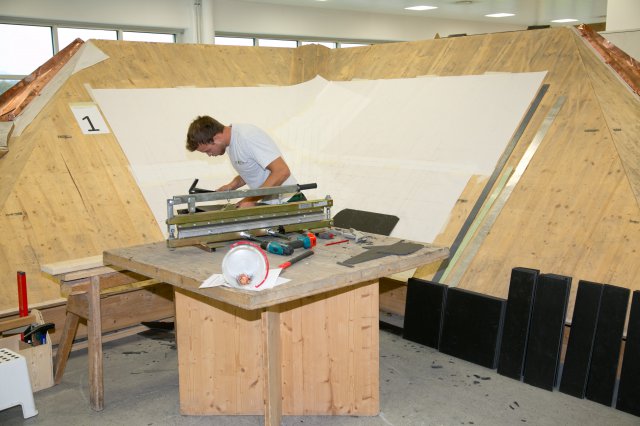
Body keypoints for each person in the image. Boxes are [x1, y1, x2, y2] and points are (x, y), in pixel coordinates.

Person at [186, 116, 299, 207]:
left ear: (216, 138)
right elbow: (251, 169)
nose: (209, 155)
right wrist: (231, 185)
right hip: (269, 203)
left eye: (208, 151)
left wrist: (251, 199)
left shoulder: (247, 137)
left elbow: (282, 171)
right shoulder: (229, 144)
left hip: (289, 202)